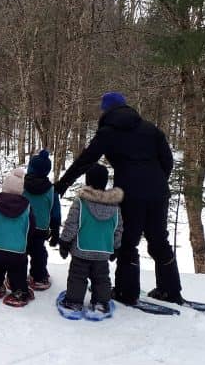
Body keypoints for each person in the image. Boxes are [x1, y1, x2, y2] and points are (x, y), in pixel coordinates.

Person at [54, 91, 182, 305]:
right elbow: (167, 161)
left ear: (106, 110)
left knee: (128, 243)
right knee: (159, 240)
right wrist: (156, 183)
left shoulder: (108, 132)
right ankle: (170, 290)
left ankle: (126, 292)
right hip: (158, 192)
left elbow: (86, 160)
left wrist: (62, 184)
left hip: (130, 193)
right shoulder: (152, 130)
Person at [57, 164, 123, 313]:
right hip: (103, 251)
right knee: (101, 278)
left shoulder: (81, 202)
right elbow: (117, 228)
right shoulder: (115, 207)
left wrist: (65, 242)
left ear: (88, 181)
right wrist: (116, 247)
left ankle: (74, 301)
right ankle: (101, 302)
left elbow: (72, 224)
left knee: (77, 276)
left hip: (81, 249)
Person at [0, 167, 37, 306]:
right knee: (18, 270)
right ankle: (20, 290)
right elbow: (31, 227)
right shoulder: (27, 207)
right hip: (17, 249)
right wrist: (28, 243)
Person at [21, 149, 61, 290]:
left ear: (30, 167)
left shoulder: (21, 185)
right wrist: (55, 231)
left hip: (22, 226)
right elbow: (55, 213)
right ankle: (39, 277)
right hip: (41, 228)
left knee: (21, 252)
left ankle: (17, 276)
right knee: (39, 253)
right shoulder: (52, 190)